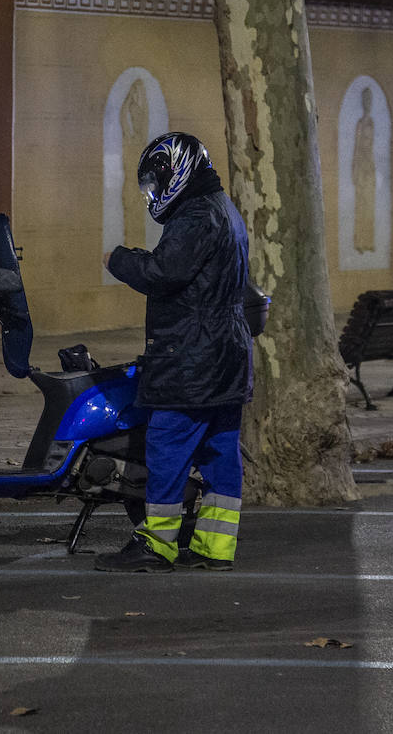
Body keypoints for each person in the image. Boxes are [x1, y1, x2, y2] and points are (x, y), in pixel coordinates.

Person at [96, 132, 253, 573]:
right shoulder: (224, 210)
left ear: (174, 172)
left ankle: (157, 545)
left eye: (153, 184)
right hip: (226, 353)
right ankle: (214, 547)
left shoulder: (197, 215)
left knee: (166, 444)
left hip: (192, 357)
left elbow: (164, 273)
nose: (153, 195)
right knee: (220, 450)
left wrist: (120, 259)